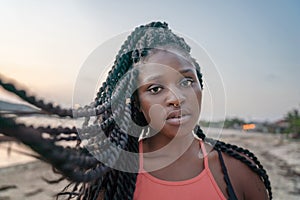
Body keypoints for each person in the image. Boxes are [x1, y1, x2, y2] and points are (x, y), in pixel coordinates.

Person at [0, 21, 272, 200]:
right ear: (136, 101)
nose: (176, 98)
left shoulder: (240, 172)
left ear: (201, 86)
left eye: (187, 81)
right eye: (155, 89)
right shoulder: (115, 174)